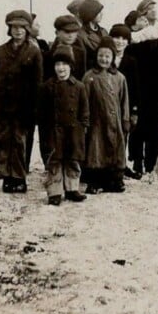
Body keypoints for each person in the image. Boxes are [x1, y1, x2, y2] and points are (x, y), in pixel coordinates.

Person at [0, 10, 43, 193]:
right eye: (14, 27)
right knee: (3, 139)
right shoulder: (1, 51)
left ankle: (19, 177)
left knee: (19, 141)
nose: (18, 31)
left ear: (27, 29)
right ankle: (6, 176)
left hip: (23, 107)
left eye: (22, 27)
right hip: (3, 106)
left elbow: (38, 82)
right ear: (9, 29)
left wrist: (34, 108)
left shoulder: (34, 52)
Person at [37, 46, 89, 205]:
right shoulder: (47, 87)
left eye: (64, 64)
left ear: (70, 66)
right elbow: (42, 113)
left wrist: (83, 125)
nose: (61, 68)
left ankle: (72, 188)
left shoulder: (79, 86)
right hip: (54, 131)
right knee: (55, 161)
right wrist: (45, 131)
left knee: (72, 160)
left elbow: (84, 109)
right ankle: (55, 192)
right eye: (58, 64)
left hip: (74, 130)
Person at [127, 0, 158, 175]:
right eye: (149, 8)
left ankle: (152, 161)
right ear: (143, 12)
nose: (154, 11)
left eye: (155, 7)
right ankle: (137, 160)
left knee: (154, 125)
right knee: (139, 124)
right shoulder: (141, 34)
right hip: (142, 84)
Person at [83, 37, 130, 193]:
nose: (104, 59)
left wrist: (125, 119)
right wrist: (85, 120)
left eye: (107, 56)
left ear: (113, 58)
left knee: (116, 148)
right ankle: (95, 181)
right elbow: (84, 101)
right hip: (97, 121)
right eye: (101, 55)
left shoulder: (120, 78)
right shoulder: (90, 77)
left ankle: (115, 180)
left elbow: (124, 101)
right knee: (96, 149)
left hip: (114, 121)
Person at [109, 24, 141, 179]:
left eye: (124, 39)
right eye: (116, 37)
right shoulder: (105, 58)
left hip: (125, 105)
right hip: (108, 103)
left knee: (123, 135)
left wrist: (134, 110)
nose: (120, 42)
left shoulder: (131, 61)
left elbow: (135, 88)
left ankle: (120, 166)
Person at [25, 14, 50, 171]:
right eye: (36, 24)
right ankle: (24, 164)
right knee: (27, 132)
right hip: (27, 94)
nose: (39, 26)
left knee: (44, 131)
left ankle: (48, 163)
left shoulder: (42, 44)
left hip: (42, 94)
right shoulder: (22, 45)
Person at [45, 15, 87, 81]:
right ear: (57, 33)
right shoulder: (50, 54)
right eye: (67, 32)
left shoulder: (81, 52)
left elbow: (82, 76)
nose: (71, 35)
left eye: (74, 32)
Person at [78, 0, 108, 70]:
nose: (102, 14)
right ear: (90, 14)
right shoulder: (80, 35)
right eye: (98, 12)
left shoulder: (104, 31)